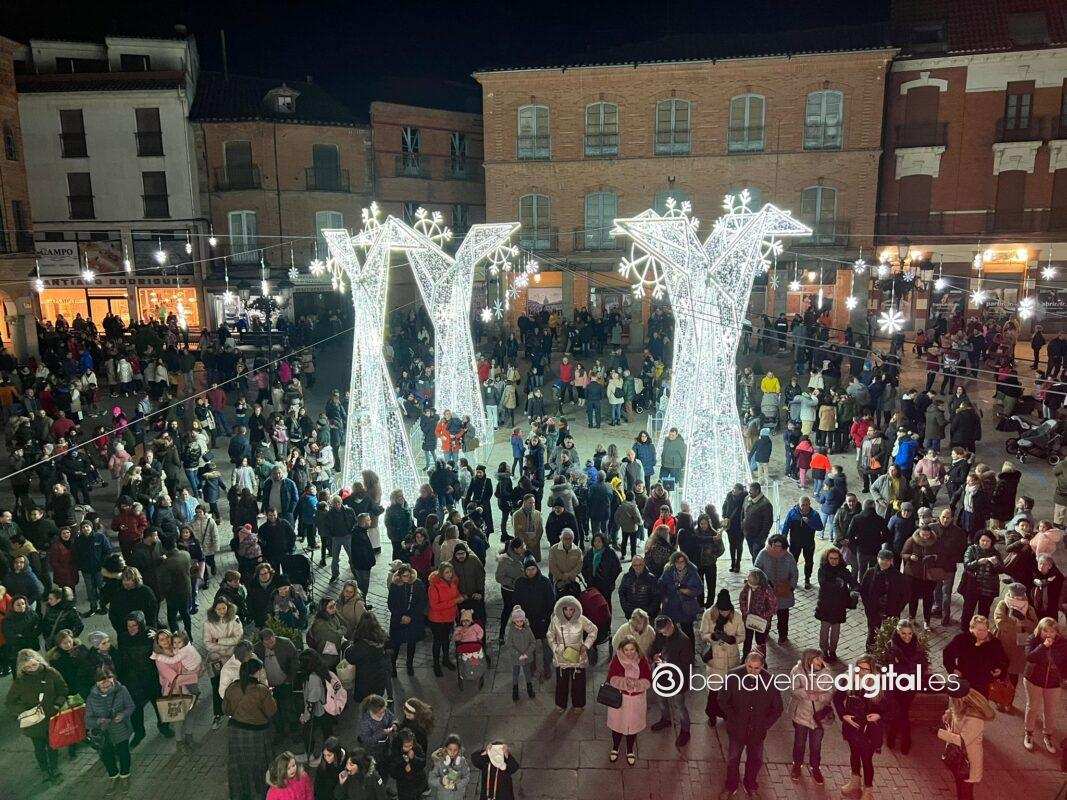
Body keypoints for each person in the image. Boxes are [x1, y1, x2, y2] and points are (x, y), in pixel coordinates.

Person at [718, 650, 783, 799]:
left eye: (757, 668)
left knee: (755, 760)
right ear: (745, 663)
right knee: (733, 759)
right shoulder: (732, 677)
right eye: (750, 667)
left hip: (757, 731)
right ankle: (731, 785)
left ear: (762, 666)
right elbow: (722, 700)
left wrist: (764, 724)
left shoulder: (769, 680)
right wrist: (733, 718)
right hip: (737, 729)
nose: (752, 671)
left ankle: (750, 785)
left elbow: (777, 708)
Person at [4, 649, 67, 782]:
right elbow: (10, 702)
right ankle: (44, 770)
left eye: (34, 665)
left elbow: (63, 689)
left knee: (53, 745)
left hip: (51, 716)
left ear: (39, 661)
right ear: (22, 667)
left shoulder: (51, 673)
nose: (32, 669)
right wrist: (24, 711)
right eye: (27, 667)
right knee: (39, 748)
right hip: (34, 722)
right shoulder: (20, 681)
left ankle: (55, 768)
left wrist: (57, 704)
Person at [834, 654, 885, 800]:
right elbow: (837, 699)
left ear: (872, 670)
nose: (862, 671)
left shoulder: (879, 683)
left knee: (867, 759)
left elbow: (889, 706)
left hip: (869, 729)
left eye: (866, 669)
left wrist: (879, 715)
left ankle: (868, 790)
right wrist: (844, 715)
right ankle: (855, 782)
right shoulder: (848, 679)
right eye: (859, 668)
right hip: (852, 726)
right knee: (854, 754)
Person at [942, 679, 996, 800]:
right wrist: (949, 715)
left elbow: (962, 740)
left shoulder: (974, 718)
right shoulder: (960, 709)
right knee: (961, 791)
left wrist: (941, 733)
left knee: (965, 794)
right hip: (959, 759)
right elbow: (955, 715)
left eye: (951, 697)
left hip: (968, 763)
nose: (949, 699)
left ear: (958, 699)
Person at [1021, 617, 1067, 754]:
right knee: (1032, 707)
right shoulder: (1032, 639)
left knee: (1050, 710)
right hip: (1033, 679)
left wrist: (1064, 677)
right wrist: (1044, 646)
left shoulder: (1063, 643)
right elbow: (1030, 657)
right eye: (1045, 631)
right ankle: (1029, 733)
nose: (1048, 634)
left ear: (1056, 632)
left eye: (1052, 631)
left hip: (1053, 682)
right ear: (1040, 630)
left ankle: (1048, 735)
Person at [883, 619, 928, 754]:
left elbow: (922, 667)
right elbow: (890, 669)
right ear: (898, 632)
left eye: (909, 633)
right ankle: (904, 739)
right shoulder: (891, 646)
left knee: (902, 711)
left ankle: (893, 736)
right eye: (903, 633)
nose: (907, 637)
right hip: (895, 685)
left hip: (910, 685)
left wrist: (904, 667)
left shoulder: (917, 647)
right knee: (901, 712)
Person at [605, 636, 651, 765]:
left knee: (633, 727)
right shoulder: (617, 660)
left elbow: (648, 679)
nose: (629, 653)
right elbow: (611, 678)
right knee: (617, 726)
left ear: (636, 649)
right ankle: (615, 747)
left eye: (632, 649)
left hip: (637, 700)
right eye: (626, 650)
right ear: (622, 649)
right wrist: (625, 683)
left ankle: (630, 749)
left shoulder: (642, 660)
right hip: (620, 700)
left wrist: (636, 685)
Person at [992, 583, 1038, 712]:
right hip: (1003, 644)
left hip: (1019, 646)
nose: (1017, 599)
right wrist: (1017, 625)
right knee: (1001, 674)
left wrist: (1023, 621)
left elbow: (1034, 627)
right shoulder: (1003, 605)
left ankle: (1009, 702)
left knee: (1013, 675)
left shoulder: (1029, 608)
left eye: (1019, 597)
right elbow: (1000, 622)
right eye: (1015, 597)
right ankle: (999, 699)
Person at [85, 667, 136, 784]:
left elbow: (131, 706)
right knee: (106, 756)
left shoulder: (122, 690)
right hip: (103, 733)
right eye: (103, 687)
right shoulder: (91, 697)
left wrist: (123, 715)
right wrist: (99, 721)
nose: (106, 689)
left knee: (123, 753)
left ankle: (125, 775)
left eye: (109, 686)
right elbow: (88, 719)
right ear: (97, 684)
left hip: (120, 728)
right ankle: (113, 776)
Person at [789, 649, 832, 785]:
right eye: (817, 659)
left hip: (818, 716)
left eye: (821, 658)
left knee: (816, 745)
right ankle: (797, 764)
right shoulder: (797, 671)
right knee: (799, 743)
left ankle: (815, 767)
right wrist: (806, 693)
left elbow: (830, 692)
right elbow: (793, 690)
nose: (820, 661)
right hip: (801, 714)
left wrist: (819, 696)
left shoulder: (827, 673)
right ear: (809, 660)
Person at [648, 615, 692, 748]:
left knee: (680, 706)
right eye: (661, 632)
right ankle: (665, 719)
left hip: (677, 679)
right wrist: (654, 656)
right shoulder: (660, 634)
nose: (664, 634)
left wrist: (668, 663)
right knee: (661, 700)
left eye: (666, 631)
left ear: (671, 624)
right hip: (661, 676)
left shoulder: (683, 640)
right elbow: (653, 648)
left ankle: (685, 731)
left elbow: (686, 663)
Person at [699, 590, 742, 724]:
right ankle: (712, 715)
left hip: (731, 659)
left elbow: (742, 635)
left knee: (729, 692)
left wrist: (732, 639)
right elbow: (703, 634)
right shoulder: (708, 615)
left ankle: (727, 715)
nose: (725, 613)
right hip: (715, 659)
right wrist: (712, 636)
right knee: (714, 691)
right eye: (722, 611)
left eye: (727, 611)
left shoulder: (737, 616)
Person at [548, 595, 596, 710]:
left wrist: (586, 645)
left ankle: (578, 704)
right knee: (561, 683)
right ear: (561, 609)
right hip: (561, 657)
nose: (568, 612)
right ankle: (560, 704)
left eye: (571, 609)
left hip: (578, 656)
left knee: (579, 683)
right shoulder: (555, 621)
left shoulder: (581, 619)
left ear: (576, 609)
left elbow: (593, 630)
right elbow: (550, 636)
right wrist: (556, 649)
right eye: (566, 609)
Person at [943, 615, 1009, 698]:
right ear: (971, 629)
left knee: (980, 704)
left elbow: (1003, 659)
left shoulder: (994, 642)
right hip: (965, 682)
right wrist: (953, 669)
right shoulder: (962, 639)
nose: (983, 632)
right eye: (979, 630)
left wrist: (1000, 669)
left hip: (984, 683)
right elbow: (948, 654)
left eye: (985, 629)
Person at [753, 535, 798, 643]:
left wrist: (791, 587)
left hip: (783, 591)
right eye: (775, 545)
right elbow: (756, 569)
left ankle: (783, 636)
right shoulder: (763, 554)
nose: (777, 548)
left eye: (779, 546)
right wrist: (761, 584)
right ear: (771, 544)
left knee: (783, 616)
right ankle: (765, 633)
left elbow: (794, 573)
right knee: (766, 615)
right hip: (767, 591)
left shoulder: (789, 556)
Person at [814, 547, 856, 661]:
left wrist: (854, 589)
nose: (834, 561)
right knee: (825, 629)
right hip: (826, 604)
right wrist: (838, 584)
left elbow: (853, 581)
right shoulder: (823, 570)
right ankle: (824, 650)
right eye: (831, 558)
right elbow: (823, 584)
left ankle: (833, 651)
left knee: (836, 630)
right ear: (827, 559)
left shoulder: (843, 570)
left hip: (839, 604)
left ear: (839, 558)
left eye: (836, 558)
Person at [388, 564, 427, 677]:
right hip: (398, 620)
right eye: (404, 576)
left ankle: (409, 664)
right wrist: (401, 617)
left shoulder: (418, 584)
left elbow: (422, 602)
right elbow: (391, 604)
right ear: (399, 576)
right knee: (395, 644)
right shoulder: (395, 586)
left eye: (408, 576)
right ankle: (393, 666)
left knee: (411, 643)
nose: (406, 578)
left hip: (413, 620)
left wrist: (411, 616)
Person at [960, 533, 1002, 631]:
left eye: (988, 541)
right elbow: (967, 565)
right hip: (972, 586)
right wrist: (978, 562)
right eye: (983, 540)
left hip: (988, 588)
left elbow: (1001, 570)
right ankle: (965, 630)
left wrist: (995, 563)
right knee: (968, 610)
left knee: (984, 612)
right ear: (978, 540)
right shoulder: (972, 549)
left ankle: (981, 631)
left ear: (991, 542)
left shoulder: (995, 553)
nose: (985, 543)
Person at [780, 496, 823, 588]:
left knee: (809, 562)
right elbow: (786, 526)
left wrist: (810, 522)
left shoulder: (814, 514)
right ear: (799, 505)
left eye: (806, 505)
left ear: (810, 504)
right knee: (792, 562)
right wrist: (783, 539)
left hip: (809, 542)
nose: (804, 507)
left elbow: (820, 527)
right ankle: (792, 579)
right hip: (795, 543)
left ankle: (807, 579)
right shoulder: (793, 513)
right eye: (802, 505)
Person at [427, 563, 462, 676]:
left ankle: (445, 659)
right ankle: (436, 664)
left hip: (449, 617)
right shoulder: (434, 586)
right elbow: (435, 606)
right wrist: (455, 601)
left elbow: (456, 595)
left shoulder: (453, 583)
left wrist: (459, 599)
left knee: (446, 640)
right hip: (437, 619)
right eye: (447, 572)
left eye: (450, 572)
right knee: (438, 641)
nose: (449, 574)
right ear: (441, 573)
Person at [502, 607, 537, 702]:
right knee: (515, 674)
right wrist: (518, 655)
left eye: (521, 621)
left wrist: (527, 653)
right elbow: (509, 644)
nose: (519, 623)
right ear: (514, 621)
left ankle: (530, 689)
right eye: (517, 621)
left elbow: (533, 642)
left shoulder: (528, 629)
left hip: (526, 657)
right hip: (516, 658)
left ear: (524, 620)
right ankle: (515, 691)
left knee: (527, 673)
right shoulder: (512, 631)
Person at [429, 734, 471, 800]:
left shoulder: (462, 761)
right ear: (446, 749)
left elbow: (467, 777)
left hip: (458, 796)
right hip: (443, 796)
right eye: (450, 749)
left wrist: (456, 786)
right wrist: (441, 781)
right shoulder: (439, 762)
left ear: (459, 750)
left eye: (455, 750)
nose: (452, 752)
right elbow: (431, 779)